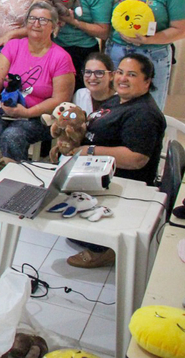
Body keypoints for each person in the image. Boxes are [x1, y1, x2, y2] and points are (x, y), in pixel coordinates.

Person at [66, 53, 167, 268]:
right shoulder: (120, 99)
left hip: (124, 185)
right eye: (120, 72)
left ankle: (105, 249)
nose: (123, 78)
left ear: (147, 81)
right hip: (95, 171)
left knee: (68, 224)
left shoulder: (143, 114)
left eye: (131, 74)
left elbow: (136, 159)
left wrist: (90, 150)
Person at [0, 1, 75, 183]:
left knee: (12, 137)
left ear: (53, 26)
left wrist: (27, 112)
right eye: (33, 19)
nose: (36, 24)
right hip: (7, 109)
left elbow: (60, 99)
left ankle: (16, 184)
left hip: (40, 116)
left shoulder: (61, 57)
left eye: (43, 20)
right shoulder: (14, 47)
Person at [108, 0, 185, 110]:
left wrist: (148, 40)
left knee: (151, 108)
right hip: (118, 51)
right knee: (115, 106)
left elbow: (180, 29)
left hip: (154, 53)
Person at [54, 0, 112, 90]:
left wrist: (74, 22)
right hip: (58, 46)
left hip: (81, 52)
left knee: (76, 96)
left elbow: (104, 32)